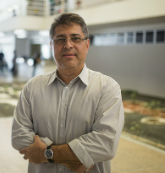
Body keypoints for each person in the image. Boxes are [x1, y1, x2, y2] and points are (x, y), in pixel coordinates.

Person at [11, 13, 124, 173]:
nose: (68, 45)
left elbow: (105, 144)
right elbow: (18, 136)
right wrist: (75, 157)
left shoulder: (107, 88)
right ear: (52, 45)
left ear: (87, 44)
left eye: (76, 38)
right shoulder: (33, 87)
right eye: (60, 39)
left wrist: (46, 153)